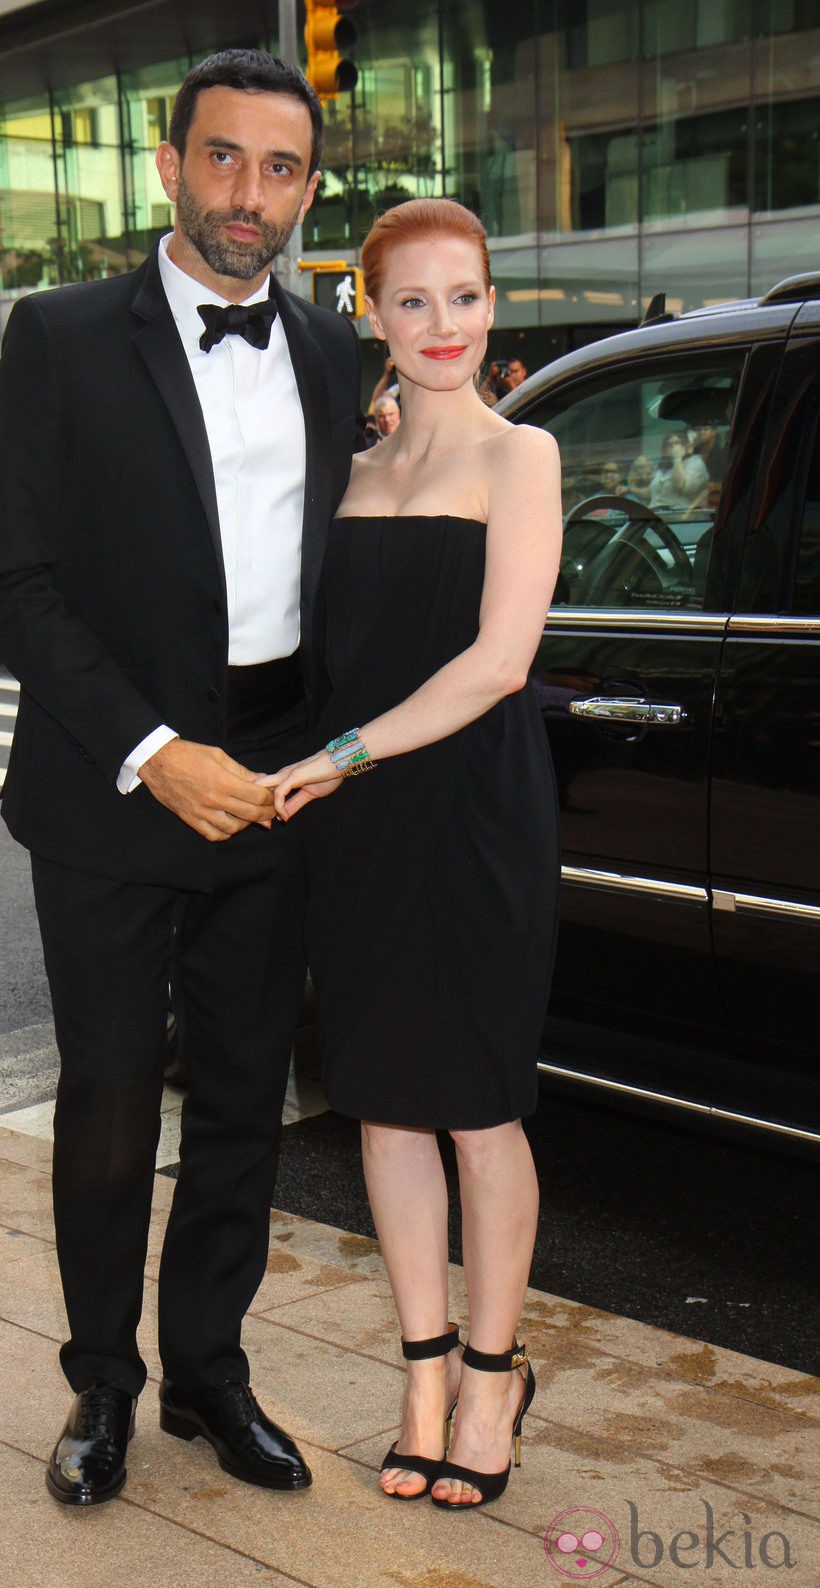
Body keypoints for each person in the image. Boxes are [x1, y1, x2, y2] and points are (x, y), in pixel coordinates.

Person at [0, 48, 363, 1509]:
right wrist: (152, 752)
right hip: (109, 783)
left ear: (307, 189)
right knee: (115, 1100)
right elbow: (12, 581)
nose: (247, 195)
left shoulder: (333, 351)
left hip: (279, 783)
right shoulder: (63, 336)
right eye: (222, 159)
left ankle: (210, 1373)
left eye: (279, 168)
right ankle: (102, 1390)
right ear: (168, 163)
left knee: (251, 1098)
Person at [260, 198, 561, 1509]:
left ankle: (495, 1377)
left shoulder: (522, 455)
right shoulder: (350, 477)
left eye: (468, 296)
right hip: (361, 830)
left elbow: (499, 664)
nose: (446, 326)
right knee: (385, 1102)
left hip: (473, 815)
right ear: (373, 316)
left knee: (481, 1109)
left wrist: (338, 758)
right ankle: (425, 1372)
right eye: (416, 301)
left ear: (493, 305)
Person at [649, 429, 708, 512]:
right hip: (656, 515)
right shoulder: (663, 467)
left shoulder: (696, 462)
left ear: (686, 446)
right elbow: (653, 492)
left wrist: (677, 459)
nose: (673, 447)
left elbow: (681, 486)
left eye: (677, 443)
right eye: (669, 445)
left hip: (679, 517)